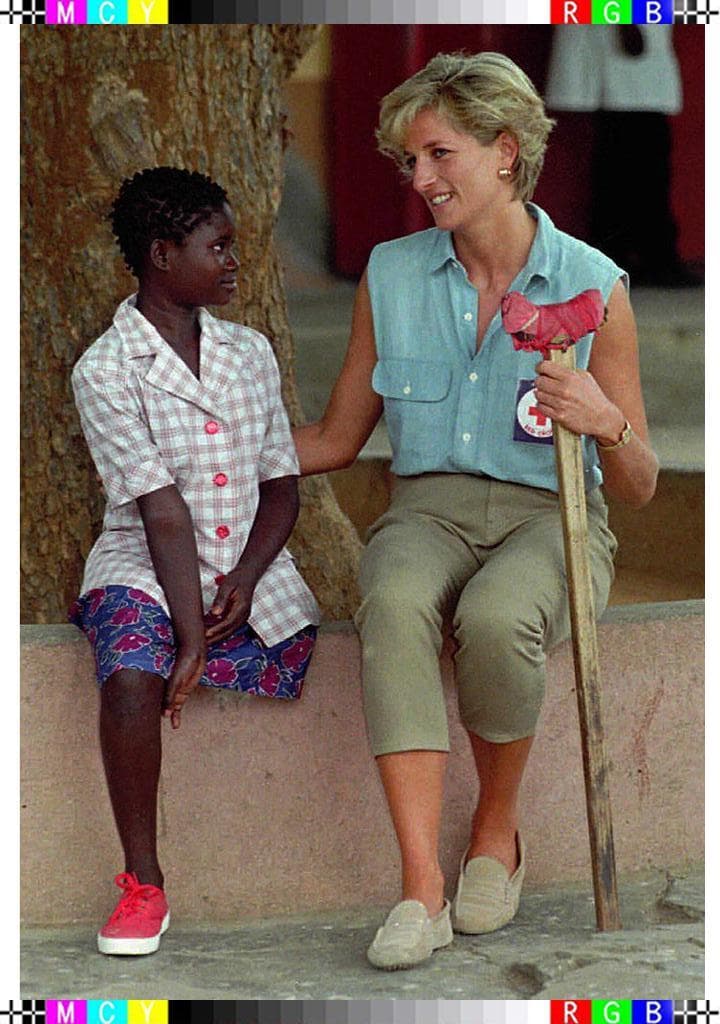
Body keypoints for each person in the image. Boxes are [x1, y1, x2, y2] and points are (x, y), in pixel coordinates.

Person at [293, 52, 658, 970]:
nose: (418, 180)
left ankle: (495, 833)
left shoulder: (594, 283)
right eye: (408, 161)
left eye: (437, 155)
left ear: (505, 153)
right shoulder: (392, 272)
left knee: (499, 618)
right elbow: (338, 436)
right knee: (396, 597)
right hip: (428, 506)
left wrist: (604, 422)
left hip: (551, 513)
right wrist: (211, 458)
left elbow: (643, 480)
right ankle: (421, 890)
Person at [70, 166, 320, 956]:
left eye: (233, 244)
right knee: (133, 673)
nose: (234, 260)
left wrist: (245, 578)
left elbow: (282, 486)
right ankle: (144, 884)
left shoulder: (249, 353)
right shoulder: (105, 373)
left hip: (245, 563)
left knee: (291, 641)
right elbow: (162, 512)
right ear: (161, 255)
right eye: (218, 246)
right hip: (146, 563)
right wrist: (189, 635)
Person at [545, 25, 700, 287]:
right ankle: (649, 257)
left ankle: (626, 255)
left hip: (627, 30)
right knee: (641, 158)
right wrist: (626, 21)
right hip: (625, 28)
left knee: (622, 157)